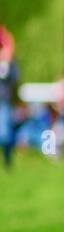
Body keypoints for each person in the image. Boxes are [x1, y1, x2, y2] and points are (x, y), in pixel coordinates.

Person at [0, 27, 20, 170]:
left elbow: (14, 79)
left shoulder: (9, 63)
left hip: (4, 101)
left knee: (4, 133)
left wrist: (7, 65)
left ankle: (7, 160)